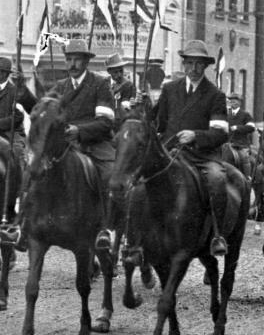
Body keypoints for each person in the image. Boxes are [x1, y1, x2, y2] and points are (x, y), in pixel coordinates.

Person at [151, 39, 234, 256]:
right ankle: (137, 235)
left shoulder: (215, 95)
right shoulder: (169, 89)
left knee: (217, 179)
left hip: (201, 155)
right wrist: (145, 108)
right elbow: (159, 123)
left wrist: (195, 135)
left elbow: (221, 133)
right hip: (171, 151)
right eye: (189, 63)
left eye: (198, 64)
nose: (194, 69)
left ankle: (217, 234)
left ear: (205, 66)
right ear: (183, 65)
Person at [48, 39, 117, 250]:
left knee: (109, 176)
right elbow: (47, 112)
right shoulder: (60, 86)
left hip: (95, 143)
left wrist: (79, 131)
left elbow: (106, 121)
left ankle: (106, 227)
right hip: (66, 145)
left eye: (77, 60)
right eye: (69, 59)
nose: (72, 64)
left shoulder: (100, 83)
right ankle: (29, 223)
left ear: (86, 62)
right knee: (38, 172)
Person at [227, 93, 256, 177]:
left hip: (241, 144)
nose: (232, 102)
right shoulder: (226, 114)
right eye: (231, 100)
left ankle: (247, 178)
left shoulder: (245, 115)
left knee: (244, 157)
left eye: (235, 100)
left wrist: (237, 128)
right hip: (227, 144)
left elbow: (251, 127)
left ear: (239, 102)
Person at [105, 53, 136, 125]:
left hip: (120, 121)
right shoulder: (104, 83)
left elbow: (126, 105)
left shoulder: (128, 85)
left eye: (121, 71)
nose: (119, 75)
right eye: (115, 72)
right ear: (109, 71)